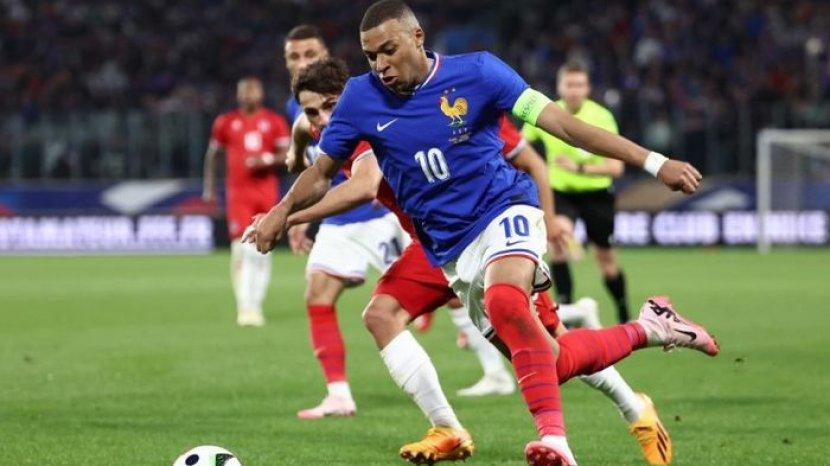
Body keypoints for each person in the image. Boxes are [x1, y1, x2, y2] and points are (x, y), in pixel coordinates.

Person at [250, 2, 717, 465]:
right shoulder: (358, 99)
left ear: (417, 37)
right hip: (447, 248)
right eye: (371, 56)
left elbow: (563, 126)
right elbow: (319, 167)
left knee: (505, 300)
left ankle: (554, 443)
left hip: (504, 209)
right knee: (551, 360)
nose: (380, 65)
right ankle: (649, 328)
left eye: (388, 50)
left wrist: (654, 162)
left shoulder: (479, 74)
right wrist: (282, 209)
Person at [281, 24, 410, 419]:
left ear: (327, 55)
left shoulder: (356, 100)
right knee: (317, 295)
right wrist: (295, 154)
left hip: (382, 213)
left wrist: (290, 216)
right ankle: (338, 395)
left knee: (455, 295)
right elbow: (303, 131)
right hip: (338, 219)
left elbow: (366, 184)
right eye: (294, 56)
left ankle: (506, 365)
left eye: (309, 54)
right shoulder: (304, 107)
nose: (302, 62)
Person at [523, 62, 631, 323]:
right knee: (558, 244)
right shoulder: (547, 112)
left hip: (597, 195)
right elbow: (518, 145)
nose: (574, 90)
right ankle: (567, 311)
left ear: (588, 88)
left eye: (579, 85)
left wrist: (579, 168)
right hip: (561, 193)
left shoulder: (601, 117)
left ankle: (623, 311)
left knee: (606, 262)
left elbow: (617, 168)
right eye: (569, 84)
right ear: (559, 87)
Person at [202, 76, 289, 326]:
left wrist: (266, 160)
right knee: (241, 249)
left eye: (253, 90)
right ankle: (245, 307)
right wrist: (209, 187)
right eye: (245, 91)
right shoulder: (226, 122)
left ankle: (256, 305)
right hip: (239, 195)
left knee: (263, 251)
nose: (249, 95)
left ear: (261, 94)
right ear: (238, 95)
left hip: (267, 194)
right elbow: (213, 154)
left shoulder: (274, 121)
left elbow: (288, 155)